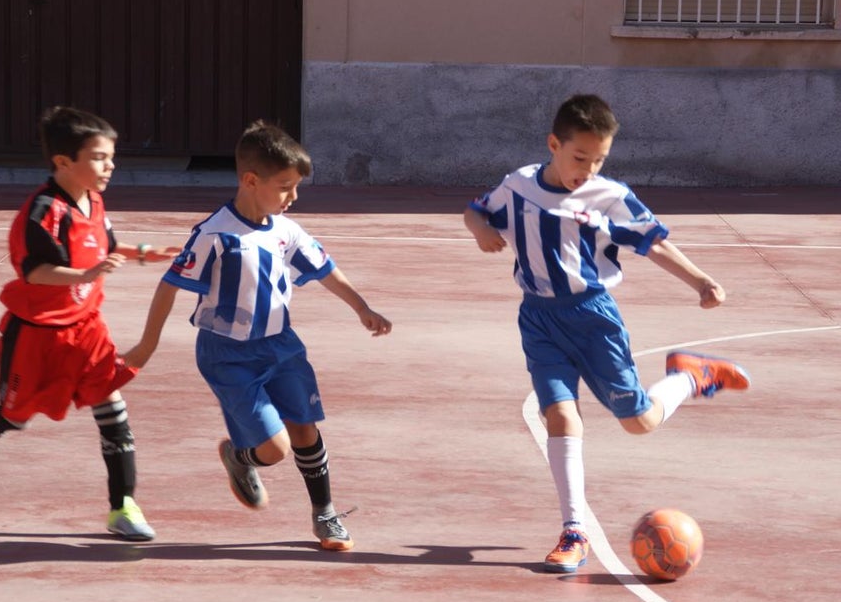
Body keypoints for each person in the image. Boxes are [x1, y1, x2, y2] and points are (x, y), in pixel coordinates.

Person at [463, 93, 751, 573]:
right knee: (560, 415)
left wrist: (701, 280)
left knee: (638, 422)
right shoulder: (517, 186)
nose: (588, 169)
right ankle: (574, 531)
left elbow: (653, 244)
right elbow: (475, 211)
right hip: (538, 319)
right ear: (554, 144)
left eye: (599, 159)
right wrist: (478, 230)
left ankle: (690, 376)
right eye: (580, 157)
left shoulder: (609, 197)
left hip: (594, 319)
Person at [124, 120, 392, 551]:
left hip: (282, 346)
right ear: (251, 180)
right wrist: (148, 343)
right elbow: (169, 284)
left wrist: (362, 307)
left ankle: (324, 515)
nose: (294, 197)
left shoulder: (286, 230)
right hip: (227, 355)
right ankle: (239, 456)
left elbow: (324, 268)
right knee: (275, 450)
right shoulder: (215, 235)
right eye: (285, 186)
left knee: (305, 430)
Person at [0, 106, 179, 541]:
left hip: (87, 330)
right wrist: (85, 275)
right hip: (35, 335)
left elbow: (103, 243)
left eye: (111, 156)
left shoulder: (95, 200)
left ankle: (122, 505)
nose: (111, 165)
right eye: (100, 157)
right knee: (15, 416)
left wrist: (144, 251)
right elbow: (34, 271)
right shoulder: (43, 210)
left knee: (113, 410)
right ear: (64, 161)